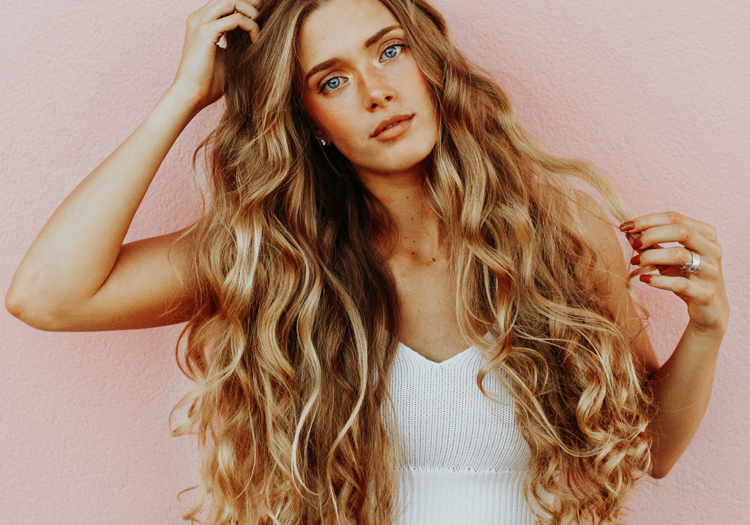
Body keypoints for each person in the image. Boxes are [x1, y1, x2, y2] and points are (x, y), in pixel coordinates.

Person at [5, 0, 729, 523]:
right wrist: (185, 96)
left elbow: (649, 451)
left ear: (429, 63)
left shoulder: (559, 232)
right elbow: (48, 294)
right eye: (331, 80)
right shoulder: (278, 258)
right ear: (309, 123)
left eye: (389, 50)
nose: (377, 90)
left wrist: (704, 328)